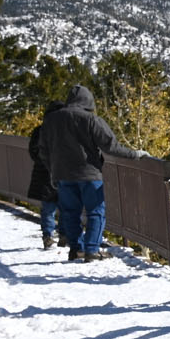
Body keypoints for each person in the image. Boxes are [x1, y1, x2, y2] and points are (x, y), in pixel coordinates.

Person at [38, 87, 150, 262]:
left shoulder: (51, 120)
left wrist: (52, 170)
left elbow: (43, 150)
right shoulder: (91, 119)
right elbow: (111, 146)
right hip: (89, 174)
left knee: (69, 213)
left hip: (63, 174)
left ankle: (77, 249)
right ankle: (92, 250)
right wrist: (135, 154)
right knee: (96, 212)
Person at [26, 95, 65, 248]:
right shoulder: (65, 132)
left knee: (48, 208)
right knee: (64, 206)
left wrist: (44, 161)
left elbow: (33, 152)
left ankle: (48, 236)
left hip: (43, 174)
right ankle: (63, 235)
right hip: (62, 173)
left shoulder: (39, 131)